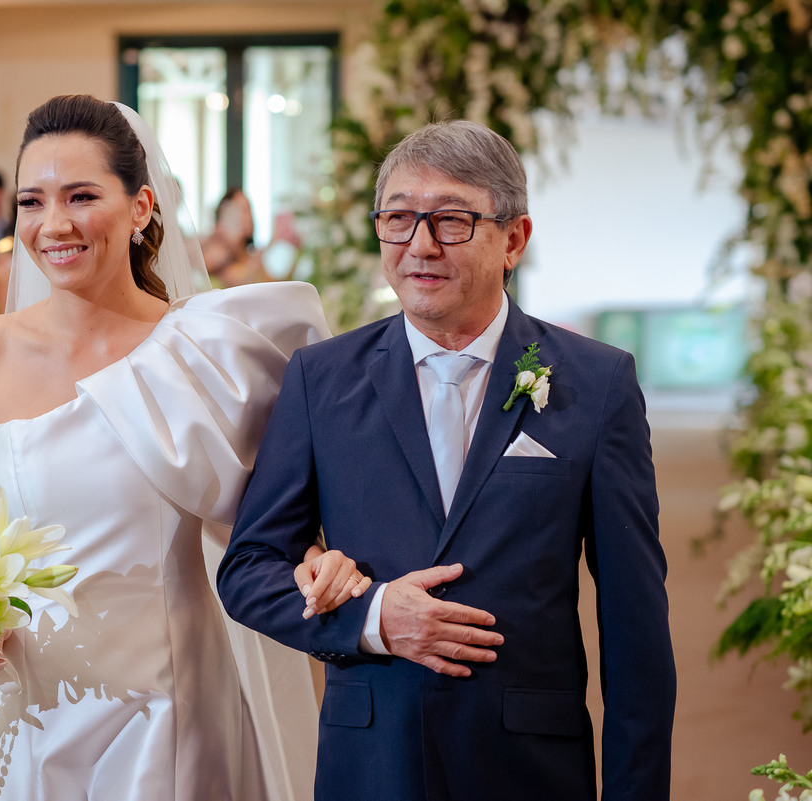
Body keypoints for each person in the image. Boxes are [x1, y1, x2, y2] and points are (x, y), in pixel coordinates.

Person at [0, 95, 366, 801]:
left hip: (172, 700)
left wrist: (316, 557)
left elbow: (265, 515)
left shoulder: (204, 349)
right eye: (32, 201)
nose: (53, 224)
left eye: (81, 196)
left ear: (142, 207)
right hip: (31, 688)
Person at [217, 120, 677, 801]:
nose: (420, 245)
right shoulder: (321, 379)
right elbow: (249, 568)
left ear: (513, 239)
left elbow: (635, 626)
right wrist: (372, 617)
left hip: (527, 769)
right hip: (371, 766)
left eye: (452, 220)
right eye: (399, 218)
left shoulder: (596, 382)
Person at [200, 188, 271, 287]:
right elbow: (234, 281)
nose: (249, 217)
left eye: (249, 210)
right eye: (243, 210)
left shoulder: (251, 256)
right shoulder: (217, 253)